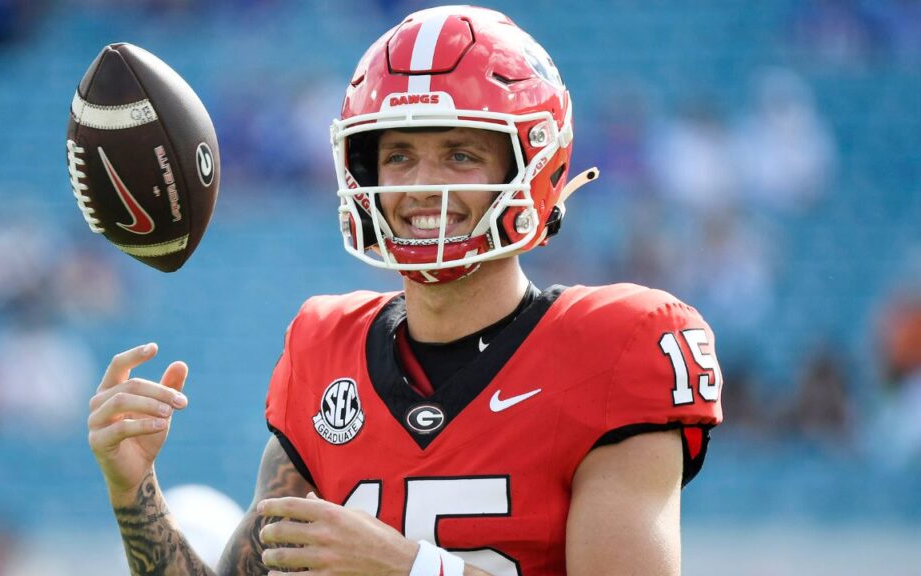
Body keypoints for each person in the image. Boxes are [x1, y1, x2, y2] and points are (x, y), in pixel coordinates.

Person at [87, 6, 723, 575]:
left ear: (533, 166)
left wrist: (413, 569)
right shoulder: (325, 347)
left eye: (460, 155)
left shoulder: (616, 345)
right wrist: (134, 489)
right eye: (397, 157)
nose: (422, 185)